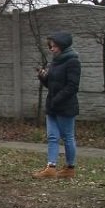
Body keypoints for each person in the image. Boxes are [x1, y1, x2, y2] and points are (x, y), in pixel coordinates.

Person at [34, 32, 81, 179]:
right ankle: (51, 167)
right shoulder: (55, 62)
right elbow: (51, 85)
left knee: (67, 137)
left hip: (65, 106)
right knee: (52, 137)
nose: (51, 49)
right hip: (52, 106)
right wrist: (43, 77)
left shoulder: (73, 62)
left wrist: (57, 99)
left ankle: (70, 168)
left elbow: (72, 86)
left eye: (54, 46)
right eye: (50, 46)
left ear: (62, 46)